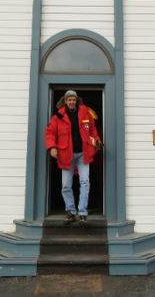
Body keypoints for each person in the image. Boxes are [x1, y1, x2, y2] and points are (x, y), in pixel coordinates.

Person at [45, 90, 103, 224]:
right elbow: (50, 133)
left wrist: (97, 140)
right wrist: (52, 147)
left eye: (73, 99)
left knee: (85, 183)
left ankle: (82, 213)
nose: (72, 102)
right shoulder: (58, 116)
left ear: (77, 101)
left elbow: (93, 130)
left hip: (84, 153)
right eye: (69, 99)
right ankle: (70, 212)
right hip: (66, 155)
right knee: (66, 185)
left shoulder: (85, 113)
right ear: (65, 101)